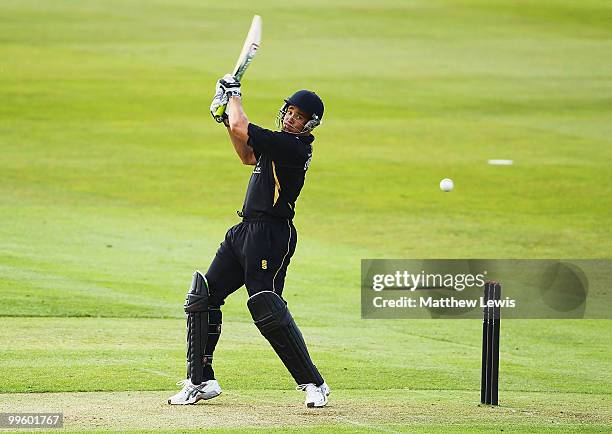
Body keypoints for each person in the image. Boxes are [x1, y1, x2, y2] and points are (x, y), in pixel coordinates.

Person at [168, 74, 330, 408]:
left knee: (265, 305)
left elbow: (244, 129)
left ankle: (313, 383)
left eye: (299, 117)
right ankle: (201, 380)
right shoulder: (276, 144)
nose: (290, 118)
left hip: (272, 235)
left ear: (309, 125)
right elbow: (245, 154)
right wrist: (225, 115)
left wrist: (234, 98)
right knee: (204, 296)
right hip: (244, 231)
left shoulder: (294, 148)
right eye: (289, 111)